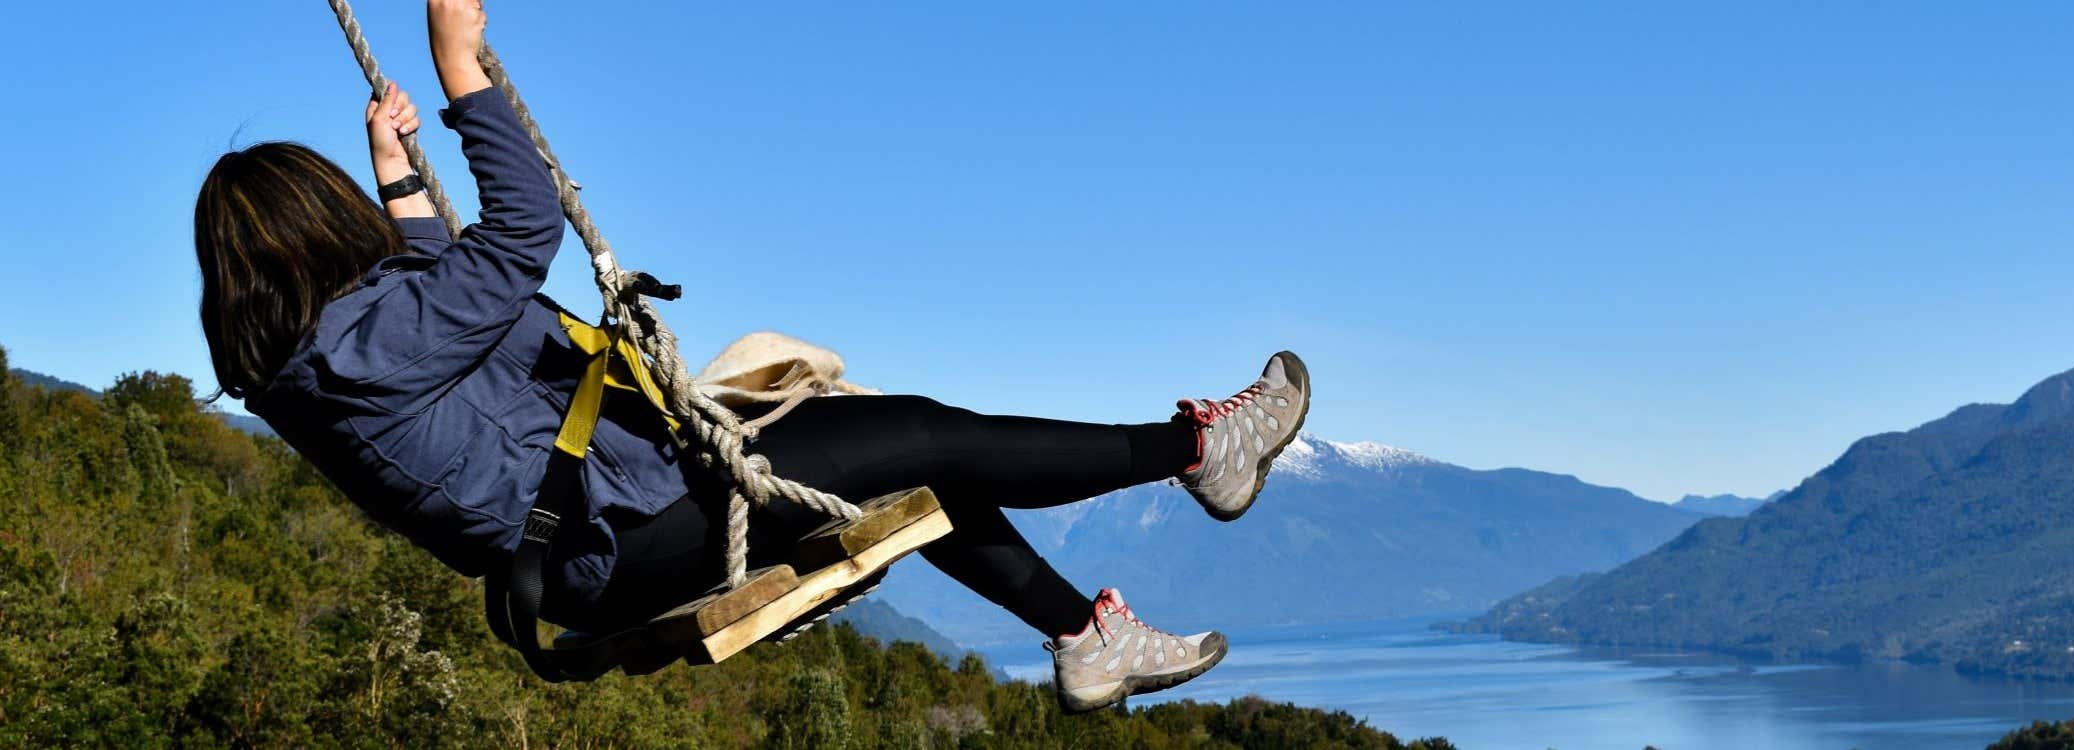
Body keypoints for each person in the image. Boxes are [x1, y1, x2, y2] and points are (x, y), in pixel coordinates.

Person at [193, 0, 1310, 713]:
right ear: (317, 228)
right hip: (631, 529)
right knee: (927, 433)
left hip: (601, 539)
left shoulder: (330, 366)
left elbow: (445, 293)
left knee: (913, 473)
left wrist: (397, 171)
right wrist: (461, 71)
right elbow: (519, 230)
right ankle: (1195, 449)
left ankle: (1085, 637)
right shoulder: (368, 341)